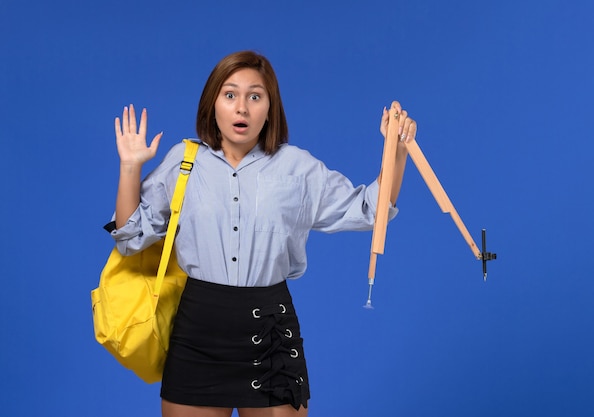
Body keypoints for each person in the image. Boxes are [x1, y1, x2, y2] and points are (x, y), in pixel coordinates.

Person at [108, 50, 417, 417]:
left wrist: (395, 152)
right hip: (198, 331)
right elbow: (130, 238)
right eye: (230, 95)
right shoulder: (184, 161)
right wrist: (129, 167)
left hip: (271, 328)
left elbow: (370, 209)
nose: (242, 108)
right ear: (213, 104)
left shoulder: (297, 168)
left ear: (270, 108)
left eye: (255, 96)